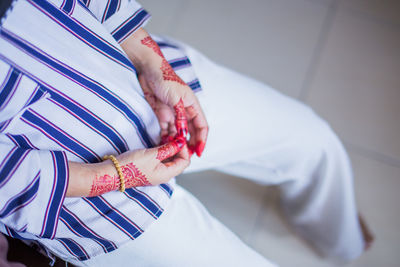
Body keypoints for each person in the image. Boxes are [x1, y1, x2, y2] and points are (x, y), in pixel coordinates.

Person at [0, 0, 372, 266]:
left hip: (135, 74)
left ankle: (338, 238)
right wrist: (119, 175)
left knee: (308, 136)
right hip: (79, 201)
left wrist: (154, 65)